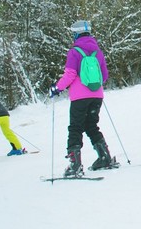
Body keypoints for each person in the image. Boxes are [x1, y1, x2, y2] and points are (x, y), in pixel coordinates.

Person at [49, 20, 116, 177]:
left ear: (75, 34)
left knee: (75, 127)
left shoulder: (74, 51)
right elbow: (104, 75)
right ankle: (104, 157)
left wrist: (57, 88)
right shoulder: (98, 52)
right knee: (92, 126)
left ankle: (75, 165)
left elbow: (70, 75)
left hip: (79, 97)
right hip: (97, 96)